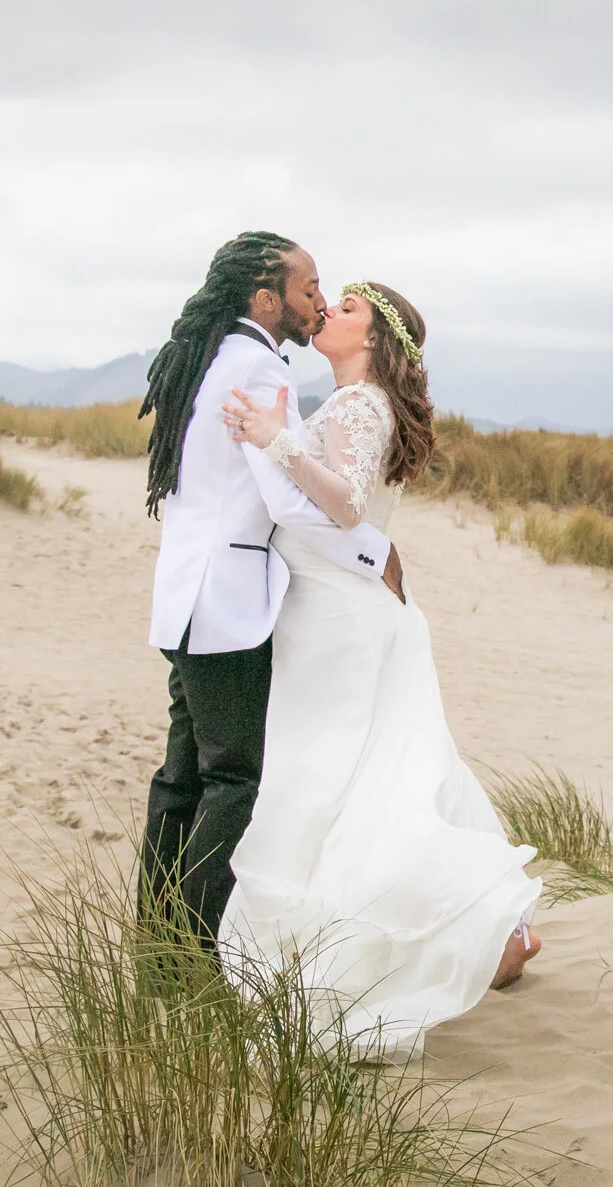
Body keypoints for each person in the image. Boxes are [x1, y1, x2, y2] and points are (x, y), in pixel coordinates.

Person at [217, 278, 542, 1059]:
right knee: (368, 778)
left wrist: (276, 438)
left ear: (372, 339)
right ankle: (490, 934)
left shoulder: (361, 405)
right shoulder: (351, 401)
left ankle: (471, 935)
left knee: (337, 781)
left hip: (339, 620)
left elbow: (346, 505)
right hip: (334, 610)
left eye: (349, 307)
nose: (330, 310)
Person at [139, 231, 406, 949]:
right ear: (266, 299)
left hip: (185, 593)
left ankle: (155, 946)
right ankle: (190, 950)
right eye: (309, 288)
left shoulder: (210, 355)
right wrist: (375, 549)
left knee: (181, 778)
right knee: (234, 780)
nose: (319, 301)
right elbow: (287, 502)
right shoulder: (259, 367)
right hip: (227, 603)